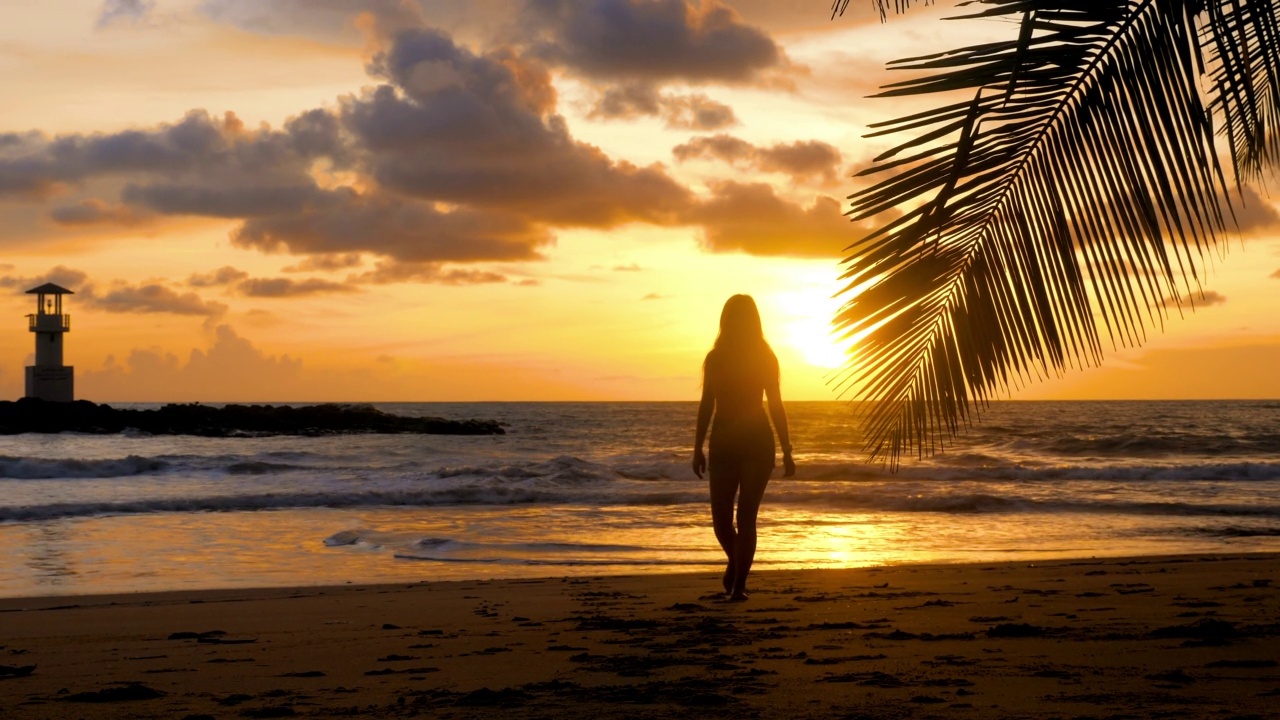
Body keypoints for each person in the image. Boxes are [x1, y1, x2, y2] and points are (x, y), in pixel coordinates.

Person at [692, 294, 794, 602]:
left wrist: (787, 448)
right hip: (723, 442)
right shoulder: (716, 358)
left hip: (756, 441)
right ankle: (737, 566)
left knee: (746, 517)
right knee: (721, 520)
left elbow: (775, 404)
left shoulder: (765, 356)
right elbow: (707, 404)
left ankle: (738, 587)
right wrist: (697, 447)